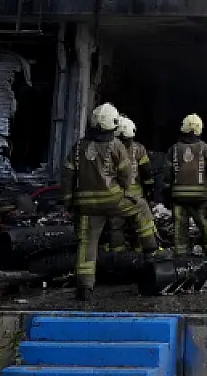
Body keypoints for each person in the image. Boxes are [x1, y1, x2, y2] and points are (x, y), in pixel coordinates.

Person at [62, 103, 159, 301]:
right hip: (113, 199)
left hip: (85, 205)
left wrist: (68, 201)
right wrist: (126, 191)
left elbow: (67, 175)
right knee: (140, 207)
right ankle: (151, 251)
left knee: (87, 242)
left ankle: (84, 287)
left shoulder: (78, 146)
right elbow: (125, 172)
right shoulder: (116, 145)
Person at [168, 114, 207, 256]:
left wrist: (166, 194)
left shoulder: (174, 149)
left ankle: (181, 255)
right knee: (204, 222)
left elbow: (167, 175)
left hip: (178, 196)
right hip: (200, 195)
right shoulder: (205, 148)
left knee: (179, 225)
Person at [105, 117, 155, 253]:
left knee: (116, 226)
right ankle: (139, 254)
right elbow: (146, 172)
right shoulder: (139, 149)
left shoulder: (108, 149)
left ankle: (118, 256)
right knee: (139, 225)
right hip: (135, 196)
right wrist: (150, 190)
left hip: (115, 195)